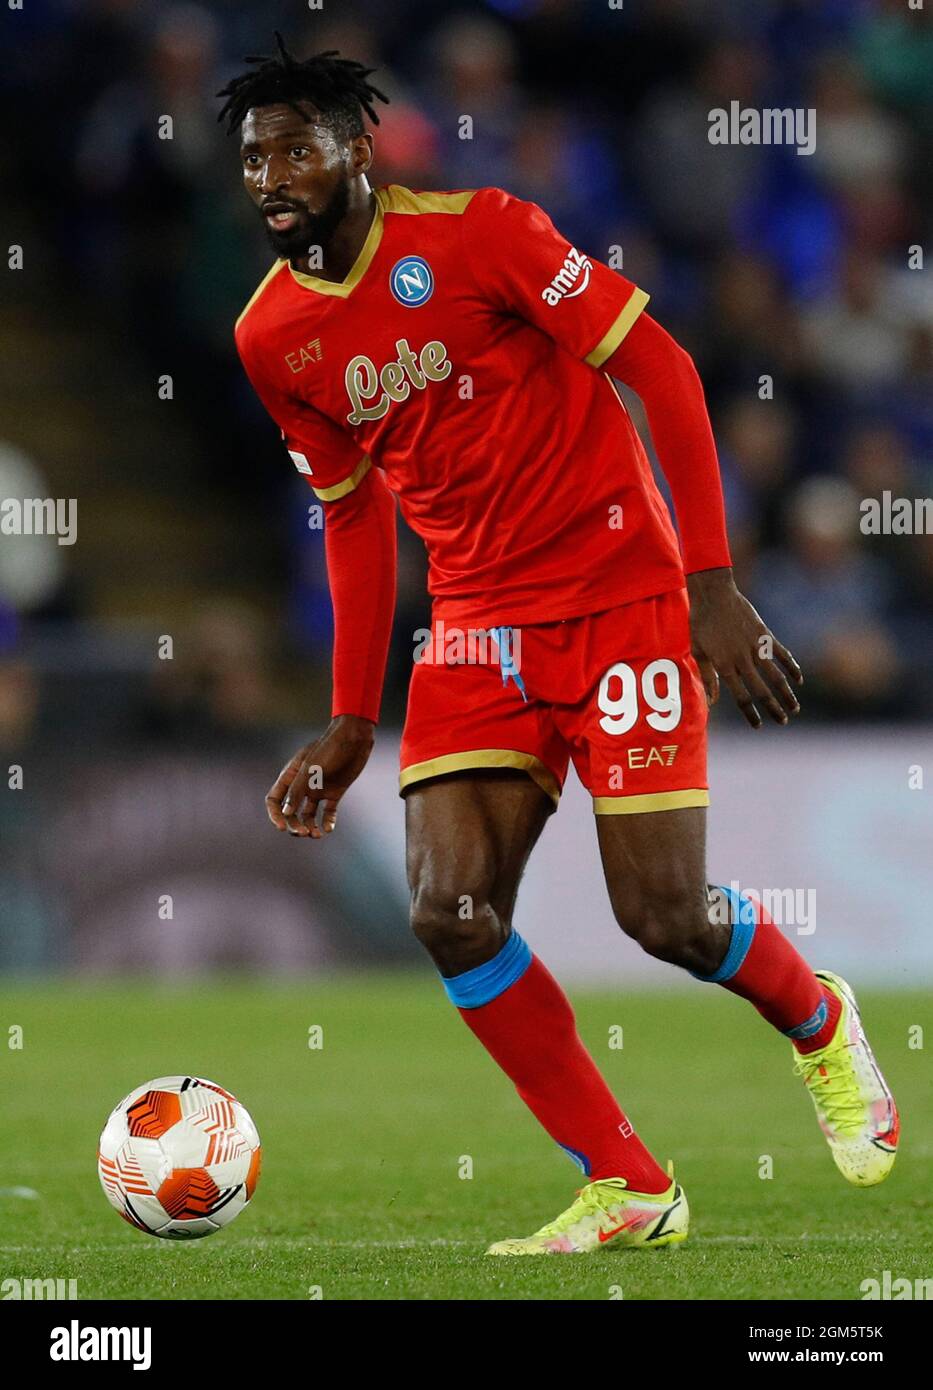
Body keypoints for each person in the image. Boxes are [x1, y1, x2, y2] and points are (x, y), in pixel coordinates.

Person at [221, 38, 898, 1255]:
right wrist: (349, 713)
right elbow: (354, 513)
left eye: (294, 148)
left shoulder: (487, 234)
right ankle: (630, 1182)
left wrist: (711, 582)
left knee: (666, 918)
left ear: (357, 150)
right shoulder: (271, 336)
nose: (270, 174)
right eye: (253, 157)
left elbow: (664, 369)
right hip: (474, 633)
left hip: (620, 598)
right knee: (451, 909)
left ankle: (817, 1019)